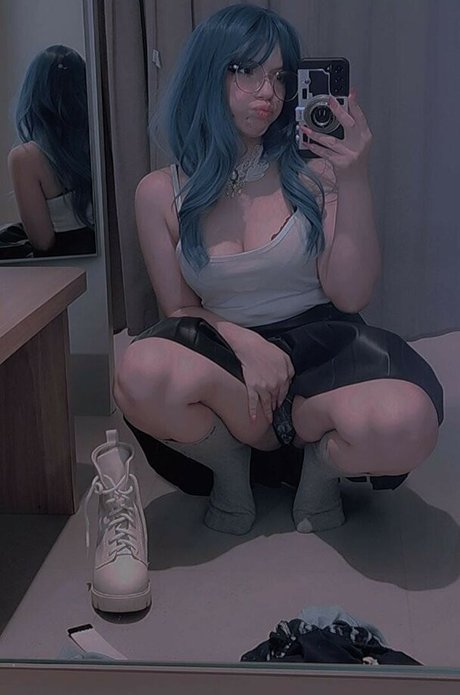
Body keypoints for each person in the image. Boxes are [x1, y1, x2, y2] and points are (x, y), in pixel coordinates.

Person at [114, 4, 443, 536]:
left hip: (323, 353)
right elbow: (178, 310)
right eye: (247, 71)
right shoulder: (159, 192)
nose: (268, 92)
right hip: (223, 357)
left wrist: (354, 177)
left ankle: (318, 462)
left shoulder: (315, 174)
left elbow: (351, 294)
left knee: (410, 422)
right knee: (139, 371)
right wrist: (247, 344)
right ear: (209, 72)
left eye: (280, 76)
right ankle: (230, 465)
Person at [7, 44, 95, 257]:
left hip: (65, 268)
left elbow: (42, 241)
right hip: (109, 259)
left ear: (33, 92)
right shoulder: (101, 142)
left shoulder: (25, 158)